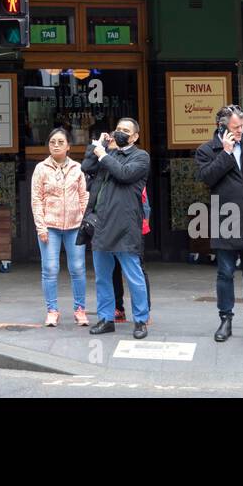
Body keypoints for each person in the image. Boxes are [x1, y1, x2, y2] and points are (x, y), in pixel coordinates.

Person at [195, 104, 243, 344]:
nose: (240, 131)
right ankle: (225, 319)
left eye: (242, 126)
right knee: (225, 273)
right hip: (225, 218)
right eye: (236, 127)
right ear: (222, 127)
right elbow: (207, 178)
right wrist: (225, 154)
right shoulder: (207, 150)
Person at [83, 117, 151, 339]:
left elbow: (124, 174)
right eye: (118, 128)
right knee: (102, 276)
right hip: (102, 224)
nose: (120, 132)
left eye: (125, 130)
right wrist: (98, 147)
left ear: (135, 136)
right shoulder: (108, 153)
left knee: (134, 276)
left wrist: (103, 155)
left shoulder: (141, 157)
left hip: (125, 226)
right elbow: (87, 167)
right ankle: (106, 318)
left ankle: (140, 320)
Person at [30, 127, 89, 326]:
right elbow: (36, 199)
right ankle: (52, 310)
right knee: (49, 268)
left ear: (69, 146)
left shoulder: (78, 168)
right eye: (52, 142)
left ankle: (80, 309)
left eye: (60, 142)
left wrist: (84, 222)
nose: (56, 145)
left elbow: (84, 197)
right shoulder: (41, 169)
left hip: (75, 226)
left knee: (78, 268)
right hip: (50, 226)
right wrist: (41, 227)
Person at [111, 186, 152, 322]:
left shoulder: (135, 172)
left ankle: (144, 311)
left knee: (138, 268)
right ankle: (118, 308)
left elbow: (145, 205)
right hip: (115, 227)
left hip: (134, 227)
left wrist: (142, 226)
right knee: (114, 268)